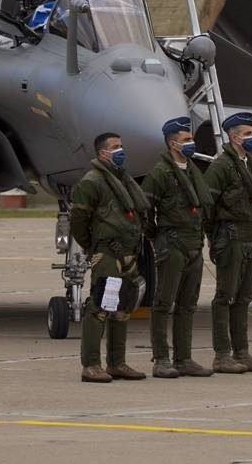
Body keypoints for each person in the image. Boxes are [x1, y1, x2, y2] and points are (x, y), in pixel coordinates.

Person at [71, 132, 149, 382]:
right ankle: (91, 364)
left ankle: (117, 362)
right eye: (115, 147)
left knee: (123, 308)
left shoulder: (123, 179)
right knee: (100, 307)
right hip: (107, 254)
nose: (120, 150)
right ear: (102, 152)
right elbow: (78, 221)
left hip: (128, 253)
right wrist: (94, 247)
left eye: (121, 146)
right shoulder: (91, 182)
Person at [141, 117, 215, 378]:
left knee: (188, 304)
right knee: (163, 302)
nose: (191, 143)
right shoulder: (160, 173)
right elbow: (145, 211)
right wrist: (158, 237)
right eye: (186, 139)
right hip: (172, 244)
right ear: (173, 143)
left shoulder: (193, 171)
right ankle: (161, 359)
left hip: (194, 243)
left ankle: (184, 358)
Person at [203, 111, 252, 374]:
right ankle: (222, 355)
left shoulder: (249, 164)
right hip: (230, 237)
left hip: (249, 237)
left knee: (243, 297)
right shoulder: (221, 166)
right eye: (247, 133)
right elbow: (208, 205)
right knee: (225, 296)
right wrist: (215, 238)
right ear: (234, 137)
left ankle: (241, 352)